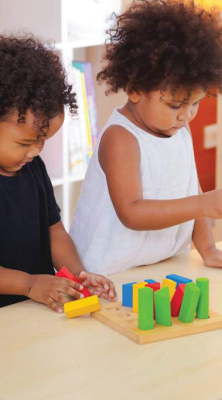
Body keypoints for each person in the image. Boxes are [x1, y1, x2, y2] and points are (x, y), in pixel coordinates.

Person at [70, 0, 222, 275]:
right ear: (135, 90)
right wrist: (204, 204)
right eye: (175, 105)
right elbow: (132, 213)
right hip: (107, 273)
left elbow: (189, 188)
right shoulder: (121, 139)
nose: (187, 116)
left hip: (160, 266)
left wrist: (208, 249)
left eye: (195, 103)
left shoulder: (178, 127)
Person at [0, 35, 117, 311]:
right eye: (25, 143)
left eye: (42, 142)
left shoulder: (33, 168)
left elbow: (55, 232)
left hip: (36, 308)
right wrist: (29, 284)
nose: (34, 153)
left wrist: (79, 276)